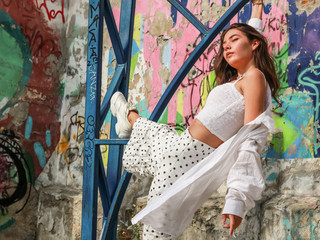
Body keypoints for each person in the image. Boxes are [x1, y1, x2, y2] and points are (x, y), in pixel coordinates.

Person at [110, 0, 279, 239]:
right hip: (177, 149)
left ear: (254, 44)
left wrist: (236, 201)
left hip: (180, 164)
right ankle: (129, 117)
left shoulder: (254, 77)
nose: (227, 47)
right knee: (161, 135)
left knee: (155, 234)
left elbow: (250, 139)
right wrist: (258, 7)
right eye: (224, 44)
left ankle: (128, 115)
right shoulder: (242, 78)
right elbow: (253, 33)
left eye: (234, 40)